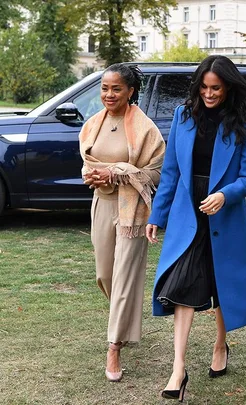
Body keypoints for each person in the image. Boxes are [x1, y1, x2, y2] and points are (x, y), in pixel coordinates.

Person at [146, 55, 246, 401]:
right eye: (204, 87)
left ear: (228, 88)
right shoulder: (183, 116)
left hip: (224, 215)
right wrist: (157, 215)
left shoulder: (244, 123)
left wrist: (225, 196)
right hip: (187, 212)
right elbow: (171, 172)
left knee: (222, 283)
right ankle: (178, 368)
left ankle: (221, 345)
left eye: (216, 88)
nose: (209, 94)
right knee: (182, 283)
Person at [79, 63, 165, 382]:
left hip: (133, 210)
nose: (109, 94)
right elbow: (88, 164)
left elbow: (156, 172)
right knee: (105, 274)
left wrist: (117, 171)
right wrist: (95, 176)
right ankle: (123, 320)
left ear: (130, 91)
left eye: (116, 89)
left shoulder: (146, 129)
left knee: (126, 275)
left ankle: (114, 346)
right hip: (102, 203)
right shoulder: (92, 125)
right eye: (104, 88)